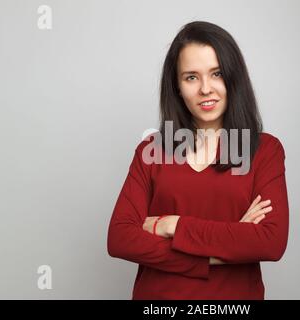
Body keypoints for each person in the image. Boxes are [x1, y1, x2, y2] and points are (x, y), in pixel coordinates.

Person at [107, 21, 289, 300]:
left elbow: (270, 242)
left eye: (216, 74)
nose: (206, 89)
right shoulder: (152, 150)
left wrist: (173, 226)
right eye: (191, 77)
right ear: (177, 86)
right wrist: (224, 247)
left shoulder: (265, 150)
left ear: (233, 78)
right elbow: (120, 238)